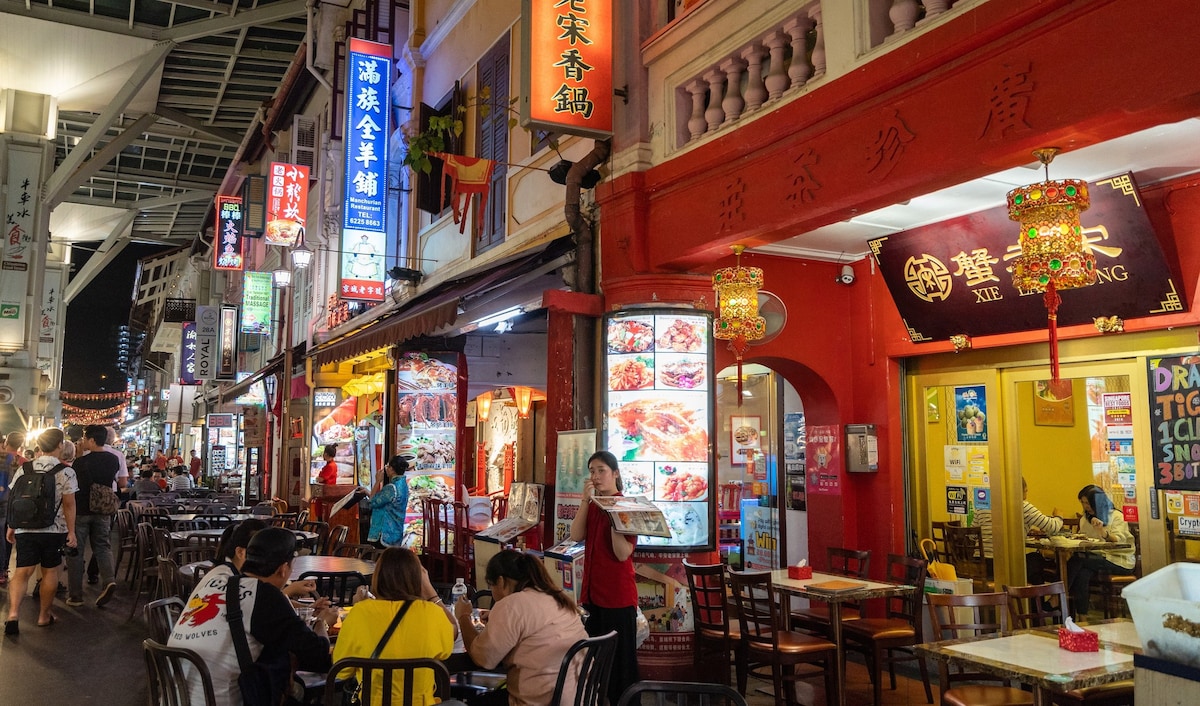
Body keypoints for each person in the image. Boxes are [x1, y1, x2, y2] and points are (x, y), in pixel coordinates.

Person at [169, 527, 338, 705]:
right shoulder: (265, 596)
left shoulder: (216, 579)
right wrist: (322, 622)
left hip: (174, 697)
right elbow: (318, 656)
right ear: (283, 569)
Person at [455, 549, 589, 706]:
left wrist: (463, 616)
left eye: (491, 585)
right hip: (580, 697)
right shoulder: (556, 597)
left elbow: (484, 658)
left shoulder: (511, 605)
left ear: (501, 581)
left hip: (541, 701)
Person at [332, 547, 455, 706]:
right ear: (418, 578)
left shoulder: (360, 613)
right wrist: (431, 594)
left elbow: (342, 670)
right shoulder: (433, 614)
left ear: (378, 576)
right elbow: (451, 638)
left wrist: (361, 607)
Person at [569, 450, 638, 706]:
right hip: (592, 596)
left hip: (618, 598)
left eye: (601, 471)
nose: (596, 476)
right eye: (592, 471)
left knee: (621, 670)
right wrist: (585, 501)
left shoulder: (626, 506)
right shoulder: (594, 504)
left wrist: (613, 515)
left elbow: (622, 554)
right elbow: (576, 535)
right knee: (594, 667)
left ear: (615, 473)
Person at [5, 428, 77, 634]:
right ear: (60, 445)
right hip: (54, 530)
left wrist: (12, 525)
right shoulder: (66, 472)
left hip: (24, 527)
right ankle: (44, 616)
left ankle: (13, 614)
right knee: (50, 571)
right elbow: (69, 504)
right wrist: (71, 532)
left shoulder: (24, 468)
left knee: (22, 571)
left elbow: (14, 499)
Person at [64, 425, 119, 609]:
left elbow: (75, 483)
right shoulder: (113, 459)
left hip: (81, 510)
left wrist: (79, 456)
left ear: (92, 440)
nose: (83, 441)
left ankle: (76, 596)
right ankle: (109, 580)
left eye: (85, 438)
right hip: (102, 510)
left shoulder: (81, 462)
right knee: (103, 546)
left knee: (76, 551)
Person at [974, 477, 1064, 583]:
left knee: (1035, 569)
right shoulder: (1021, 506)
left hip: (980, 565)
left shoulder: (982, 506)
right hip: (1006, 566)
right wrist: (1059, 516)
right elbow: (1052, 526)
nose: (1026, 496)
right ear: (1019, 491)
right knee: (1037, 559)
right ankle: (1045, 591)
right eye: (1025, 491)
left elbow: (972, 535)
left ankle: (1037, 592)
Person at [1066, 485, 1135, 619]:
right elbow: (1084, 538)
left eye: (1088, 503)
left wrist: (1103, 532)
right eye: (1083, 503)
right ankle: (1082, 617)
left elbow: (1119, 540)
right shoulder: (1085, 519)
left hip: (1119, 561)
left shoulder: (1116, 516)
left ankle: (1059, 595)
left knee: (1078, 559)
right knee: (1082, 573)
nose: (1085, 506)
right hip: (1096, 560)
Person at [363, 455, 410, 547]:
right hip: (396, 533)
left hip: (385, 534)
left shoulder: (391, 488)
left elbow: (372, 502)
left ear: (391, 469)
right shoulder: (403, 485)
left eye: (387, 466)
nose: (386, 469)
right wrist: (366, 491)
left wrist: (377, 481)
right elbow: (382, 498)